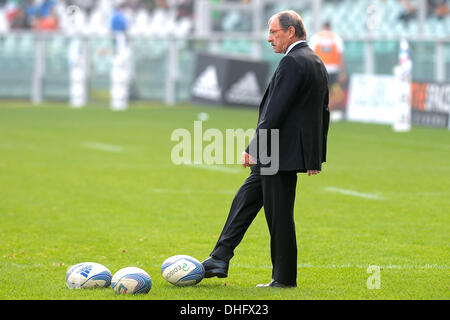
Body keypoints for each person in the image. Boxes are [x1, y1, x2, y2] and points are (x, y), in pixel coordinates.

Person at [202, 10, 330, 288]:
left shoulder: (292, 62)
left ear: (291, 32)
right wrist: (315, 155)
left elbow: (274, 111)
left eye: (273, 32)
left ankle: (284, 279)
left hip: (278, 153)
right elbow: (322, 113)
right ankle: (220, 257)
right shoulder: (315, 61)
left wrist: (253, 147)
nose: (269, 38)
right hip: (283, 153)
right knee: (245, 199)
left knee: (279, 216)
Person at [309, 21, 345, 88]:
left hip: (320, 69)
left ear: (323, 27)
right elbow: (341, 57)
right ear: (330, 27)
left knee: (320, 91)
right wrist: (342, 72)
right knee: (332, 92)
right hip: (333, 70)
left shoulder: (315, 37)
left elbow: (310, 56)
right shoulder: (336, 38)